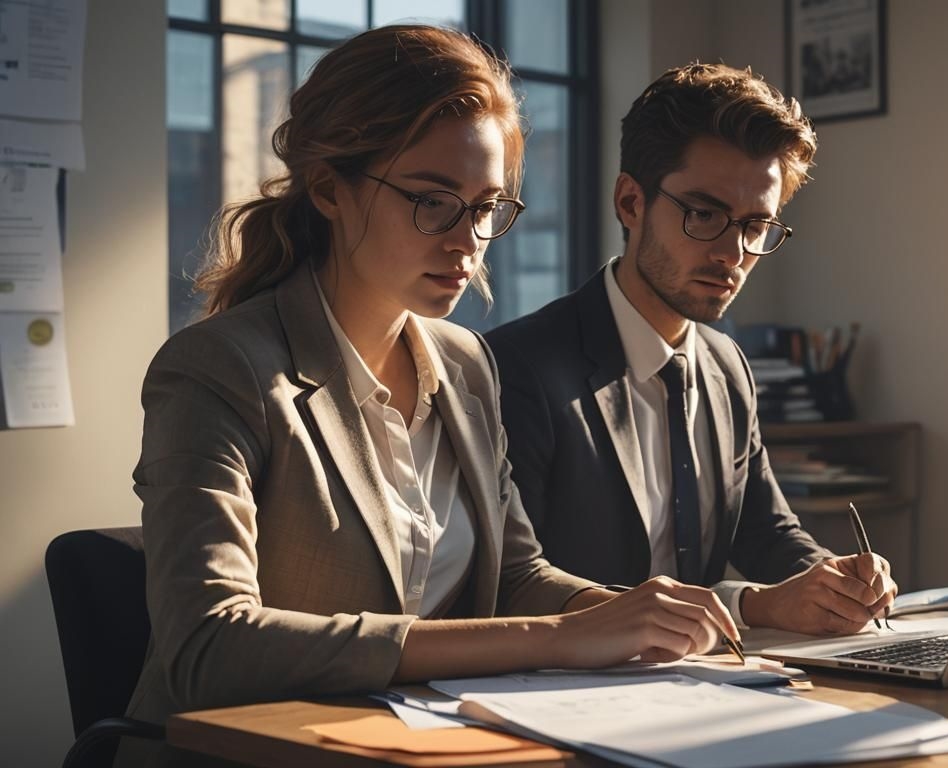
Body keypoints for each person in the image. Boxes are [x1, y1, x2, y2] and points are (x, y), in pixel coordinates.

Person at [118, 27, 736, 768]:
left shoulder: (465, 362)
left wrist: (627, 612)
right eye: (434, 202)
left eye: (486, 208)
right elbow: (208, 646)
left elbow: (513, 575)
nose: (467, 241)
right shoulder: (220, 369)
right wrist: (558, 639)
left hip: (421, 747)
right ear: (328, 189)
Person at [485, 63, 897, 637]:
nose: (733, 252)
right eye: (705, 215)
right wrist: (750, 604)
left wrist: (835, 581)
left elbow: (767, 532)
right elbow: (512, 587)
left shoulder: (727, 366)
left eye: (757, 225)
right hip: (571, 692)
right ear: (631, 202)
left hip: (705, 683)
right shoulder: (516, 367)